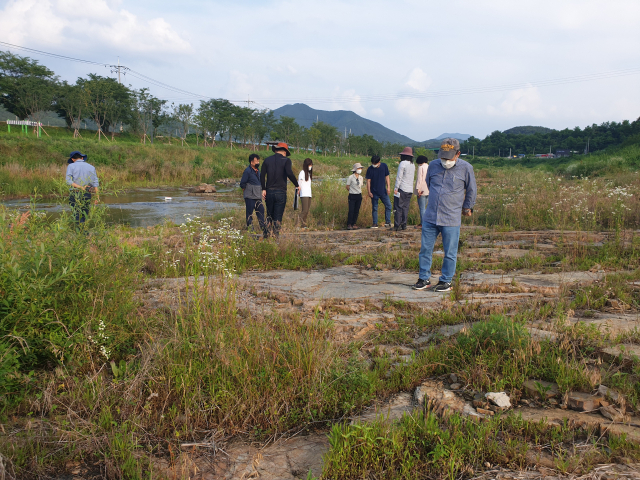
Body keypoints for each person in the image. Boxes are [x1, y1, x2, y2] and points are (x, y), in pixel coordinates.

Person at [413, 138, 477, 292]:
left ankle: (446, 280)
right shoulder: (434, 165)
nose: (445, 161)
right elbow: (429, 183)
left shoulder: (466, 168)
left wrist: (467, 207)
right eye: (443, 157)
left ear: (458, 154)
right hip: (431, 216)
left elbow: (471, 189)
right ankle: (424, 278)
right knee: (425, 249)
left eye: (448, 158)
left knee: (450, 252)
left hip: (451, 218)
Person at [260, 142, 299, 238]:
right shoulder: (286, 160)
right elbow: (289, 173)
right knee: (278, 217)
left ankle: (266, 237)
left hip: (269, 191)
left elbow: (262, 175)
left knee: (269, 215)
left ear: (276, 150)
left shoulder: (267, 160)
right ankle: (276, 238)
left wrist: (263, 189)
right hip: (280, 191)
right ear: (285, 151)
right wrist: (297, 185)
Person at [66, 150, 99, 225]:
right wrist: (97, 196)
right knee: (85, 213)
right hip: (87, 193)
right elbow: (95, 183)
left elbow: (68, 181)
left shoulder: (71, 166)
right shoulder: (91, 167)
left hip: (75, 193)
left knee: (76, 213)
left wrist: (80, 187)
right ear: (82, 158)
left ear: (72, 159)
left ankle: (78, 233)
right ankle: (84, 233)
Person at [240, 153, 267, 235]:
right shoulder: (247, 171)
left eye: (258, 161)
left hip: (258, 196)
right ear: (251, 162)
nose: (258, 162)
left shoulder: (258, 171)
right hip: (250, 196)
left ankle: (264, 228)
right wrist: (247, 191)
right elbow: (242, 184)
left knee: (261, 210)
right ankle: (250, 230)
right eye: (256, 161)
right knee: (249, 213)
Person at [366, 155, 392, 228]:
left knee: (389, 206)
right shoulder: (370, 169)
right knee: (375, 208)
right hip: (374, 192)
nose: (373, 165)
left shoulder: (384, 166)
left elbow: (387, 176)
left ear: (379, 162)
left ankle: (388, 221)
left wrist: (388, 187)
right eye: (373, 163)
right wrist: (369, 191)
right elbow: (368, 181)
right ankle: (375, 223)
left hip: (383, 191)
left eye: (375, 163)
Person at [393, 147, 415, 231]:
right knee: (405, 207)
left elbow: (399, 177)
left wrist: (396, 188)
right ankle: (404, 224)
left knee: (398, 207)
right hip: (409, 189)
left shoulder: (402, 163)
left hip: (402, 188)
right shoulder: (412, 164)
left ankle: (397, 225)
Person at [345, 163, 364, 230]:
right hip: (352, 195)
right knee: (351, 210)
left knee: (356, 210)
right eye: (359, 168)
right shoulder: (351, 177)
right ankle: (349, 224)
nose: (360, 169)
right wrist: (352, 191)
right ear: (355, 169)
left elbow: (360, 186)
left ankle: (354, 223)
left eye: (360, 168)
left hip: (359, 195)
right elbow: (347, 186)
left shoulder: (361, 177)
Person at [414, 155, 430, 228]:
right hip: (428, 189)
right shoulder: (429, 167)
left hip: (422, 189)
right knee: (426, 208)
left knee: (422, 208)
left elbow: (419, 179)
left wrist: (418, 189)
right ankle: (426, 222)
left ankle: (422, 223)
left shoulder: (421, 167)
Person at [298, 158, 313, 228]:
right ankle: (297, 224)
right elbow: (299, 183)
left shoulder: (309, 174)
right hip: (304, 193)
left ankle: (303, 224)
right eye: (310, 164)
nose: (311, 166)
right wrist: (298, 191)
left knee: (307, 211)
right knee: (304, 210)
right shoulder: (302, 172)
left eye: (311, 164)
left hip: (308, 193)